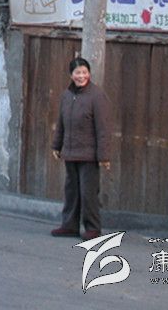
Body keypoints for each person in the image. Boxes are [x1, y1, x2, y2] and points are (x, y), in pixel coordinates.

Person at [51, 57, 112, 239]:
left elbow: (103, 128)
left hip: (89, 155)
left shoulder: (97, 96)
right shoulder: (66, 95)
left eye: (84, 72)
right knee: (71, 192)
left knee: (88, 193)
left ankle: (93, 228)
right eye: (77, 72)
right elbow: (61, 123)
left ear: (89, 74)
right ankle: (69, 225)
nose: (81, 76)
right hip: (70, 152)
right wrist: (56, 145)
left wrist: (103, 156)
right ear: (71, 75)